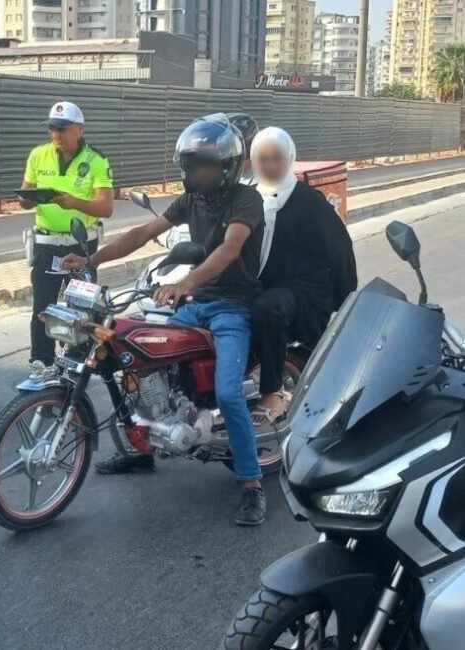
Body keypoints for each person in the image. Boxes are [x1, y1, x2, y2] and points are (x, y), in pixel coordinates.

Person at [61, 119, 270, 527]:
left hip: (233, 308)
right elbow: (142, 232)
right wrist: (91, 261)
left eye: (206, 165)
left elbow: (230, 248)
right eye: (192, 165)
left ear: (227, 166)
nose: (198, 173)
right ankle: (143, 449)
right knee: (133, 354)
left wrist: (186, 282)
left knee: (229, 394)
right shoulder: (191, 199)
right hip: (196, 303)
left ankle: (251, 484)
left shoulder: (247, 202)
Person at [249, 127, 357, 423]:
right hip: (261, 285)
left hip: (304, 292)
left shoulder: (308, 201)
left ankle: (270, 390)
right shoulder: (248, 199)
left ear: (290, 159)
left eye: (276, 158)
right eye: (262, 158)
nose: (269, 165)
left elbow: (340, 250)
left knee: (268, 308)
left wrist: (345, 301)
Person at [21, 101, 114, 380]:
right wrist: (29, 198)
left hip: (81, 244)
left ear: (79, 129)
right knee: (43, 306)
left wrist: (73, 202)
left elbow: (106, 208)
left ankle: (80, 361)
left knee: (82, 307)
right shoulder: (38, 155)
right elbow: (24, 195)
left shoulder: (97, 160)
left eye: (62, 128)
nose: (56, 135)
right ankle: (41, 361)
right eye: (52, 128)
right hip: (47, 243)